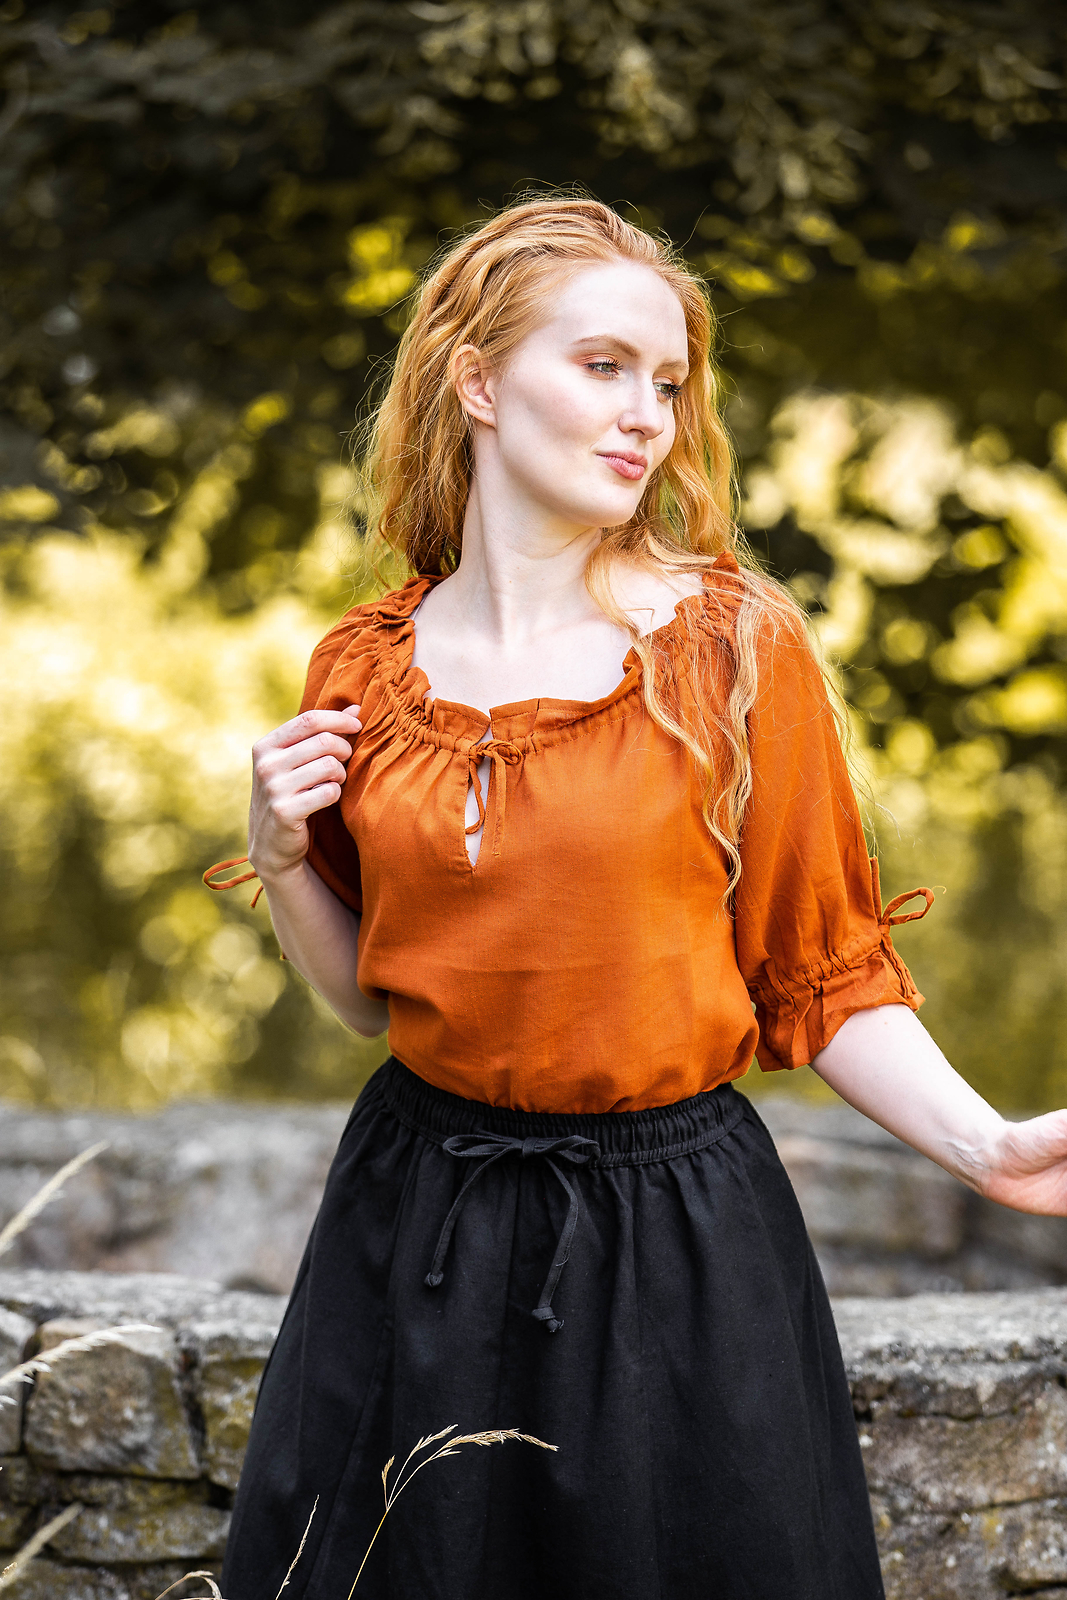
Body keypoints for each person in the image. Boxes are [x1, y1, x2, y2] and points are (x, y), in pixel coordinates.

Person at [207, 196, 1067, 1600]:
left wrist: (990, 1147)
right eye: (603, 366)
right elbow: (368, 1000)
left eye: (668, 383)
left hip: (673, 1239)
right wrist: (286, 858)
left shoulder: (731, 648)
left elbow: (820, 973)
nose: (647, 417)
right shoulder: (362, 668)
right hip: (414, 1219)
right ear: (479, 382)